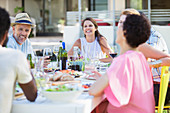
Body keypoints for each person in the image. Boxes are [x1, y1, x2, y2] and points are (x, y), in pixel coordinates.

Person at [89, 14, 155, 113]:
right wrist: (104, 80)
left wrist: (102, 81)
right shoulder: (139, 57)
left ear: (124, 33)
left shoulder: (122, 60)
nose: (116, 30)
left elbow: (93, 90)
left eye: (119, 27)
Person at [120, 8, 170, 106]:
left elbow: (165, 58)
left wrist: (149, 64)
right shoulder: (132, 40)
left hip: (157, 89)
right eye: (121, 22)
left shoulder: (151, 37)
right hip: (146, 87)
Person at [0, 7, 37, 113]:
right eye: (20, 29)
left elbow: (32, 61)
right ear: (8, 33)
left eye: (27, 30)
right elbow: (32, 95)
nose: (23, 33)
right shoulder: (13, 55)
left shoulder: (27, 43)